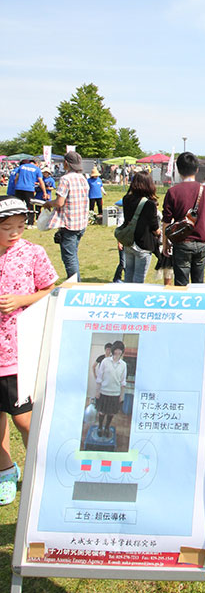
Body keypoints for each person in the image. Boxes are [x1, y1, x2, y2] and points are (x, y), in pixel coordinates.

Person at [0, 197, 57, 505]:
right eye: (7, 227)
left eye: (20, 226)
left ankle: (42, 467)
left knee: (24, 419)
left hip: (18, 353)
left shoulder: (33, 253)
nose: (14, 233)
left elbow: (51, 290)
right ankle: (6, 471)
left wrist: (22, 300)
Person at [162, 152, 205, 286]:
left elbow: (166, 221)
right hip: (201, 241)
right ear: (196, 169)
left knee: (181, 284)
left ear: (178, 170)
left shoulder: (173, 192)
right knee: (199, 283)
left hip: (181, 242)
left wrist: (165, 242)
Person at [43, 151, 89, 280]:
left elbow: (59, 202)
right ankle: (75, 282)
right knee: (73, 255)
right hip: (81, 223)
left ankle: (74, 285)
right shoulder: (83, 178)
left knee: (69, 259)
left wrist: (48, 203)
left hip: (69, 224)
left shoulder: (65, 179)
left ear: (66, 163)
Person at [122, 172, 160, 283]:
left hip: (129, 241)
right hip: (143, 244)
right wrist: (159, 233)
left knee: (128, 273)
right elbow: (154, 227)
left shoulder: (126, 199)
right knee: (139, 277)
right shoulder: (150, 204)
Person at [95, 340, 127, 438]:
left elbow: (123, 381)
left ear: (122, 351)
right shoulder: (105, 361)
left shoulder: (123, 364)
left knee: (111, 413)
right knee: (102, 411)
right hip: (104, 391)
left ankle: (107, 427)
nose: (118, 352)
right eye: (116, 349)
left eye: (120, 350)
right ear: (113, 350)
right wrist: (97, 391)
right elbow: (99, 378)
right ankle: (100, 427)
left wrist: (122, 395)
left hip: (115, 393)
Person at [14, 158, 48, 227]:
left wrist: (17, 185)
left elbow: (16, 178)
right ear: (36, 163)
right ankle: (30, 223)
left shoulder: (22, 167)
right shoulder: (37, 169)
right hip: (29, 189)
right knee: (30, 207)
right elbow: (41, 181)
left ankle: (15, 222)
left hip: (19, 188)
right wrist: (44, 192)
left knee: (17, 206)